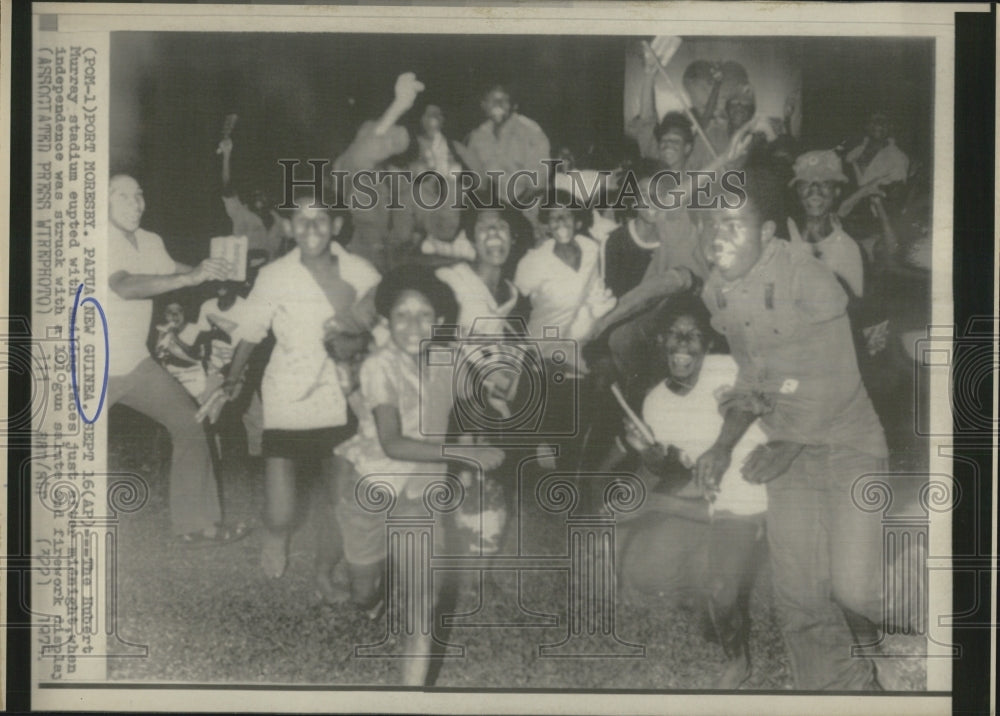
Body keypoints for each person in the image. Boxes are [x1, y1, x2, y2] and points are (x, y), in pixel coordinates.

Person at [695, 168, 889, 690]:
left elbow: (838, 379)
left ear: (768, 232)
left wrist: (788, 442)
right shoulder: (720, 291)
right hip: (788, 454)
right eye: (712, 222)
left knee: (856, 589)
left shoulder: (808, 277)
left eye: (734, 223)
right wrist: (722, 444)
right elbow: (754, 376)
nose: (719, 235)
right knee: (799, 597)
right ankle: (847, 691)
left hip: (847, 442)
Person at [333, 266, 505, 686]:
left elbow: (485, 399)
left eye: (423, 314)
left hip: (421, 496)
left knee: (422, 610)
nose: (412, 325)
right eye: (401, 315)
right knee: (364, 593)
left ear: (441, 321)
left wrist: (504, 391)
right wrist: (466, 453)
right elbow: (392, 443)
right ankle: (371, 591)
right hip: (368, 491)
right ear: (385, 322)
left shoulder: (449, 360)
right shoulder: (379, 366)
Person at [602, 296, 768, 688]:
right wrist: (648, 455)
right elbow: (672, 467)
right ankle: (738, 659)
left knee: (828, 585)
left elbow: (753, 404)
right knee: (721, 592)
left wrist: (657, 499)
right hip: (731, 505)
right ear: (660, 341)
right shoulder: (655, 402)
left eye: (693, 335)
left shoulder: (727, 368)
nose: (682, 343)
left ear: (708, 345)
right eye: (673, 334)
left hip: (777, 478)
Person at [224, 196, 382, 580]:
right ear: (290, 227)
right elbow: (251, 330)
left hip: (341, 393)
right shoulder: (275, 274)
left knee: (340, 496)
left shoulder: (362, 272)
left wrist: (359, 347)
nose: (311, 230)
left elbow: (379, 329)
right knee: (281, 512)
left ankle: (327, 567)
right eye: (302, 221)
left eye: (321, 221)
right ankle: (275, 537)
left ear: (337, 226)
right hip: (288, 393)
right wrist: (232, 376)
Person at [105, 174, 247, 544]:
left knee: (191, 424)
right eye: (123, 196)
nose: (136, 203)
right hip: (89, 370)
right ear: (102, 202)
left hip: (136, 364)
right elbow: (124, 285)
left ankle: (197, 524)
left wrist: (207, 270)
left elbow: (174, 271)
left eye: (139, 195)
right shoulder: (95, 236)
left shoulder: (150, 240)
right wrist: (190, 280)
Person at [334, 72, 424, 272]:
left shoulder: (405, 180)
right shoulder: (347, 168)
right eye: (388, 139)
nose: (390, 146)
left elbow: (439, 228)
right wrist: (398, 106)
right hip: (360, 267)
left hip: (399, 270)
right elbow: (362, 155)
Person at [513, 191, 615, 347]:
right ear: (547, 226)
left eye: (566, 216)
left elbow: (595, 292)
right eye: (554, 217)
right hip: (541, 347)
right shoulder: (532, 262)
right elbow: (515, 308)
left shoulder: (591, 249)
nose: (560, 222)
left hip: (578, 344)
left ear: (577, 223)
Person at [457, 84, 550, 239]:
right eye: (492, 100)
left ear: (514, 105)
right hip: (489, 214)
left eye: (504, 100)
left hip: (526, 213)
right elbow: (476, 184)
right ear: (483, 105)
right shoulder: (477, 136)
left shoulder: (531, 132)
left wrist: (508, 215)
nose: (498, 105)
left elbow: (536, 188)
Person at [786, 150, 865, 300]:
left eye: (824, 184)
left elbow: (851, 310)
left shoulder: (847, 249)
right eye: (806, 184)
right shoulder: (782, 234)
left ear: (837, 191)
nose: (814, 192)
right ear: (797, 191)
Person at [435, 206, 525, 337]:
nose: (493, 231)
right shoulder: (452, 279)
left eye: (501, 226)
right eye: (482, 227)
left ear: (512, 238)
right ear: (472, 241)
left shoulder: (512, 293)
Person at [218, 135, 285, 260]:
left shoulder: (278, 221)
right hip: (247, 274)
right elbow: (227, 188)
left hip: (271, 275)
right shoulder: (240, 213)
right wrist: (226, 155)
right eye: (255, 194)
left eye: (263, 193)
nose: (259, 197)